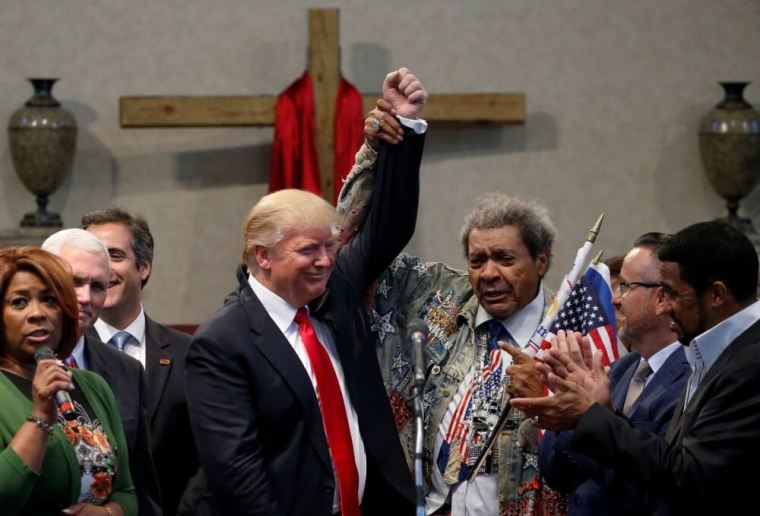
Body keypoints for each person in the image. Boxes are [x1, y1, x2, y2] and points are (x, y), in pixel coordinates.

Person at [184, 67, 427, 515]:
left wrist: (406, 127)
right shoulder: (221, 342)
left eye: (329, 247)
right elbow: (237, 473)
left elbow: (388, 227)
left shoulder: (333, 292)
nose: (325, 260)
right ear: (263, 256)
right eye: (308, 250)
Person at [336, 108, 561, 515]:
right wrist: (377, 151)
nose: (489, 274)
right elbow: (350, 245)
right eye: (478, 260)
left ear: (541, 261)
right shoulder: (435, 296)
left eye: (505, 259)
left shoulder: (571, 331)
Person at [511, 220, 760, 514]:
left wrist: (591, 416)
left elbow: (689, 476)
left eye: (674, 294)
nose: (666, 306)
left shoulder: (749, 364)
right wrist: (585, 412)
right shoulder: (704, 353)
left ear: (717, 295)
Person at [539, 232, 690, 515]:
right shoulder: (620, 369)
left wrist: (595, 417)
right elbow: (556, 474)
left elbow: (656, 492)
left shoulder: (691, 380)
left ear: (662, 297)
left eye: (626, 288)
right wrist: (567, 415)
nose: (615, 301)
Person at [0, 247, 137, 515]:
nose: (38, 313)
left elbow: (127, 492)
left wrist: (108, 513)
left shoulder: (93, 386)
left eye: (50, 300)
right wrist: (40, 418)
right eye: (19, 302)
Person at [82, 207, 199, 516]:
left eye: (115, 256)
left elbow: (208, 457)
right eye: (95, 257)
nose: (104, 270)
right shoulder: (67, 354)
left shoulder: (190, 353)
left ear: (144, 266)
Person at [42, 229, 162, 516]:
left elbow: (140, 484)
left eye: (98, 286)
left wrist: (111, 513)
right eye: (74, 282)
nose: (85, 297)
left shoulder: (127, 370)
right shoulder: (9, 365)